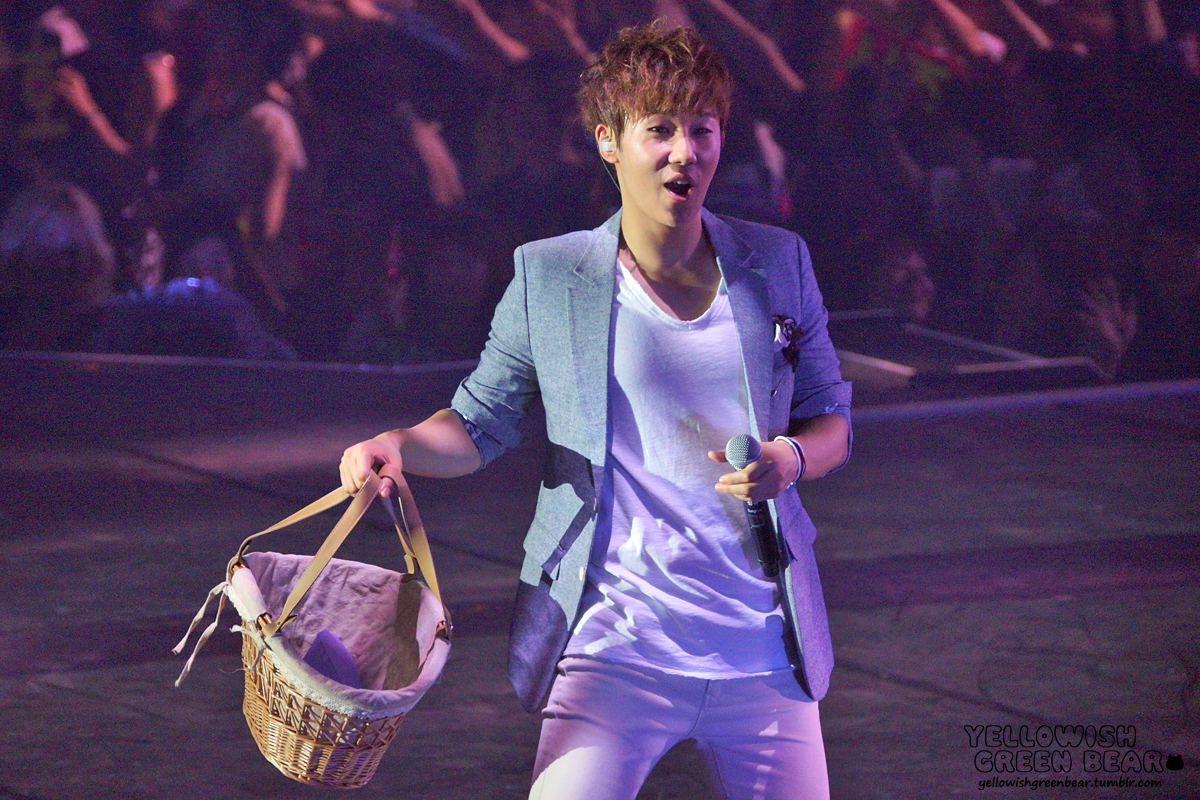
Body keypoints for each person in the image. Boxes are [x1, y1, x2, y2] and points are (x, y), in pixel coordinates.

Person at [340, 24, 850, 800]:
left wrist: (792, 458)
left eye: (702, 130)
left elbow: (831, 418)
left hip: (761, 651)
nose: (685, 152)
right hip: (614, 651)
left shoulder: (777, 263)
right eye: (660, 130)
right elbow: (478, 424)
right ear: (608, 140)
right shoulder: (552, 276)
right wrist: (399, 444)